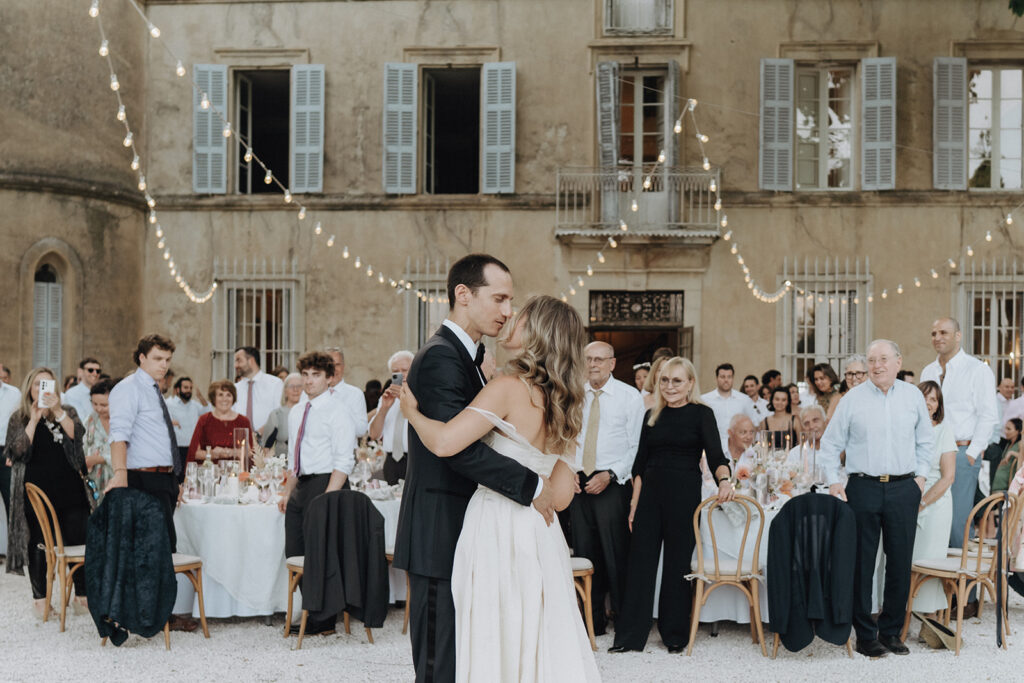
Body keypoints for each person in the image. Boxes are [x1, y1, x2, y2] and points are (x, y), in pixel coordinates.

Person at [400, 294, 597, 681]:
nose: (510, 318)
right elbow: (559, 498)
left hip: (495, 523)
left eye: (520, 316)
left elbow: (444, 443)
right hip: (541, 533)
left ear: (536, 331)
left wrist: (413, 414)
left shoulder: (508, 387)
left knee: (495, 632)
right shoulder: (569, 404)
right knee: (535, 633)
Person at [611, 357, 734, 654]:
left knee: (678, 565)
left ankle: (675, 634)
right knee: (640, 564)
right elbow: (640, 465)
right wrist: (634, 504)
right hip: (650, 497)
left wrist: (725, 481)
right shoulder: (651, 415)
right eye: (664, 380)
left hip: (684, 496)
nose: (669, 386)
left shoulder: (702, 414)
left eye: (677, 380)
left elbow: (716, 456)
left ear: (690, 383)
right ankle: (630, 636)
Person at [818, 339, 932, 658]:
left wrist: (920, 479)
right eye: (871, 360)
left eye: (883, 359)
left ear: (898, 362)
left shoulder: (912, 396)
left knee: (899, 563)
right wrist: (834, 481)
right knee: (862, 564)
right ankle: (866, 635)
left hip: (904, 488)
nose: (877, 365)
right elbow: (829, 445)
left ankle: (891, 632)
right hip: (862, 487)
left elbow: (925, 442)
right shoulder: (852, 399)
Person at [567, 341, 645, 637]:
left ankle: (625, 623)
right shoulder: (573, 393)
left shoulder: (629, 396)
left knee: (616, 555)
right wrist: (569, 470)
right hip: (578, 482)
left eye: (599, 359)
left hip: (613, 483)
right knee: (585, 553)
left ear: (612, 363)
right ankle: (593, 622)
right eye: (588, 359)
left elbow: (636, 447)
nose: (593, 365)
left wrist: (610, 475)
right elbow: (565, 437)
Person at [278, 350, 355, 636]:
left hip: (328, 483)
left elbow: (344, 460)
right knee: (296, 551)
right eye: (306, 375)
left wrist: (327, 497)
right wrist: (287, 493)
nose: (309, 381)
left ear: (329, 378)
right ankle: (310, 608)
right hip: (302, 486)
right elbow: (293, 459)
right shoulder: (297, 410)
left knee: (322, 552)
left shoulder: (338, 410)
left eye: (316, 375)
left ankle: (324, 619)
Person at [5, 367, 93, 618]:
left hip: (70, 490)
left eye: (48, 384)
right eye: (37, 384)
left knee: (79, 540)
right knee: (39, 543)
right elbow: (17, 452)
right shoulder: (20, 417)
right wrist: (34, 420)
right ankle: (40, 601)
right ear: (29, 389)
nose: (42, 389)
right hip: (36, 492)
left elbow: (77, 438)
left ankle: (81, 596)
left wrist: (57, 412)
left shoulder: (68, 411)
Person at [919, 318, 998, 550]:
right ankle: (930, 570)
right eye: (934, 333)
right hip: (930, 451)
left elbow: (988, 415)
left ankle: (960, 573)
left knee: (957, 524)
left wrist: (972, 453)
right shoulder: (928, 370)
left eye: (944, 332)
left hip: (961, 451)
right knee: (928, 516)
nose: (937, 337)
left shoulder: (977, 369)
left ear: (958, 336)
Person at [105, 334, 185, 550]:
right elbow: (118, 434)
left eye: (167, 359)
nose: (164, 365)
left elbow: (158, 439)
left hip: (163, 479)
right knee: (152, 553)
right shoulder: (128, 388)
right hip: (143, 480)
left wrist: (174, 480)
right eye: (158, 358)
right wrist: (120, 474)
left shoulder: (152, 389)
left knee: (165, 550)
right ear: (142, 357)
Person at [909, 381, 957, 626]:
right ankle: (902, 611)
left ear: (939, 406)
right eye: (924, 397)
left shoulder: (943, 431)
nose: (928, 403)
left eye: (933, 399)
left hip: (935, 501)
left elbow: (948, 477)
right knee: (905, 559)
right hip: (906, 499)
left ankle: (930, 620)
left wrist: (923, 503)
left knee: (929, 559)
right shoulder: (906, 428)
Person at [368, 350, 415, 486]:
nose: (400, 375)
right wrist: (384, 409)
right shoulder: (387, 397)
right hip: (391, 461)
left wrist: (405, 399)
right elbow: (374, 434)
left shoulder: (424, 395)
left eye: (405, 370)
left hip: (415, 460)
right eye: (395, 371)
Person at [187, 380, 253, 462]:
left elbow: (250, 452)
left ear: (233, 398)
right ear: (214, 398)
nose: (224, 399)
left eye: (228, 395)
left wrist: (232, 452)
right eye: (220, 395)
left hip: (236, 469)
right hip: (210, 469)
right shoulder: (204, 420)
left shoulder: (243, 421)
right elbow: (194, 453)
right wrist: (212, 454)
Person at [701, 362, 757, 453]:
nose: (726, 380)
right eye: (722, 377)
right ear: (717, 378)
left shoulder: (744, 400)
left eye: (729, 377)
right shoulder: (705, 400)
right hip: (712, 448)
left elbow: (753, 424)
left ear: (733, 378)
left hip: (739, 450)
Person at [324, 346, 369, 454]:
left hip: (347, 453)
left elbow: (361, 430)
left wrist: (343, 409)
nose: (333, 369)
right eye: (329, 365)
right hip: (318, 454)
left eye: (337, 364)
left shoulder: (355, 394)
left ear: (343, 367)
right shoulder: (311, 394)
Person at [233, 346, 284, 437]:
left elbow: (279, 415)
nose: (235, 365)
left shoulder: (275, 384)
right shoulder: (235, 388)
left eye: (239, 360)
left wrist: (258, 435)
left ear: (251, 361)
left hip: (268, 441)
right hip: (240, 440)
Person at [82, 378, 116, 498]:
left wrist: (100, 459)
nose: (98, 409)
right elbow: (83, 446)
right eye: (94, 404)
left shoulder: (125, 421)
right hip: (95, 483)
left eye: (104, 405)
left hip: (119, 481)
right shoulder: (90, 420)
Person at [166, 376, 208, 464]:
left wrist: (200, 397)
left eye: (190, 388)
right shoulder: (168, 403)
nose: (189, 390)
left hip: (193, 448)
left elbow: (207, 411)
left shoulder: (194, 405)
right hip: (176, 448)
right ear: (178, 390)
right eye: (186, 387)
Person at [262, 372, 303, 457]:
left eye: (299, 386)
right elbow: (266, 447)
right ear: (285, 390)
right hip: (282, 462)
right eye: (291, 386)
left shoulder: (309, 412)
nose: (296, 389)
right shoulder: (276, 415)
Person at [0, 367, 22, 520]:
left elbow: (20, 423)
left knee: (10, 498)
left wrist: (14, 450)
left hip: (6, 451)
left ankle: (13, 533)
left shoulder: (14, 393)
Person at [827, 354, 869, 421]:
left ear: (868, 375)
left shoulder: (877, 399)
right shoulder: (840, 401)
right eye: (849, 374)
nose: (854, 378)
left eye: (859, 373)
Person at [62, 357, 102, 422]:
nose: (95, 374)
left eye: (98, 371)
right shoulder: (72, 394)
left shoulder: (102, 392)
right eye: (90, 370)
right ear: (80, 371)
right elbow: (81, 421)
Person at [991, 418, 1023, 493]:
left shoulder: (1020, 445)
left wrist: (1012, 453)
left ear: (1018, 431)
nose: (1005, 431)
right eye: (1005, 428)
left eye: (1009, 429)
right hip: (997, 480)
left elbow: (1022, 458)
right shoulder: (1007, 444)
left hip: (1006, 484)